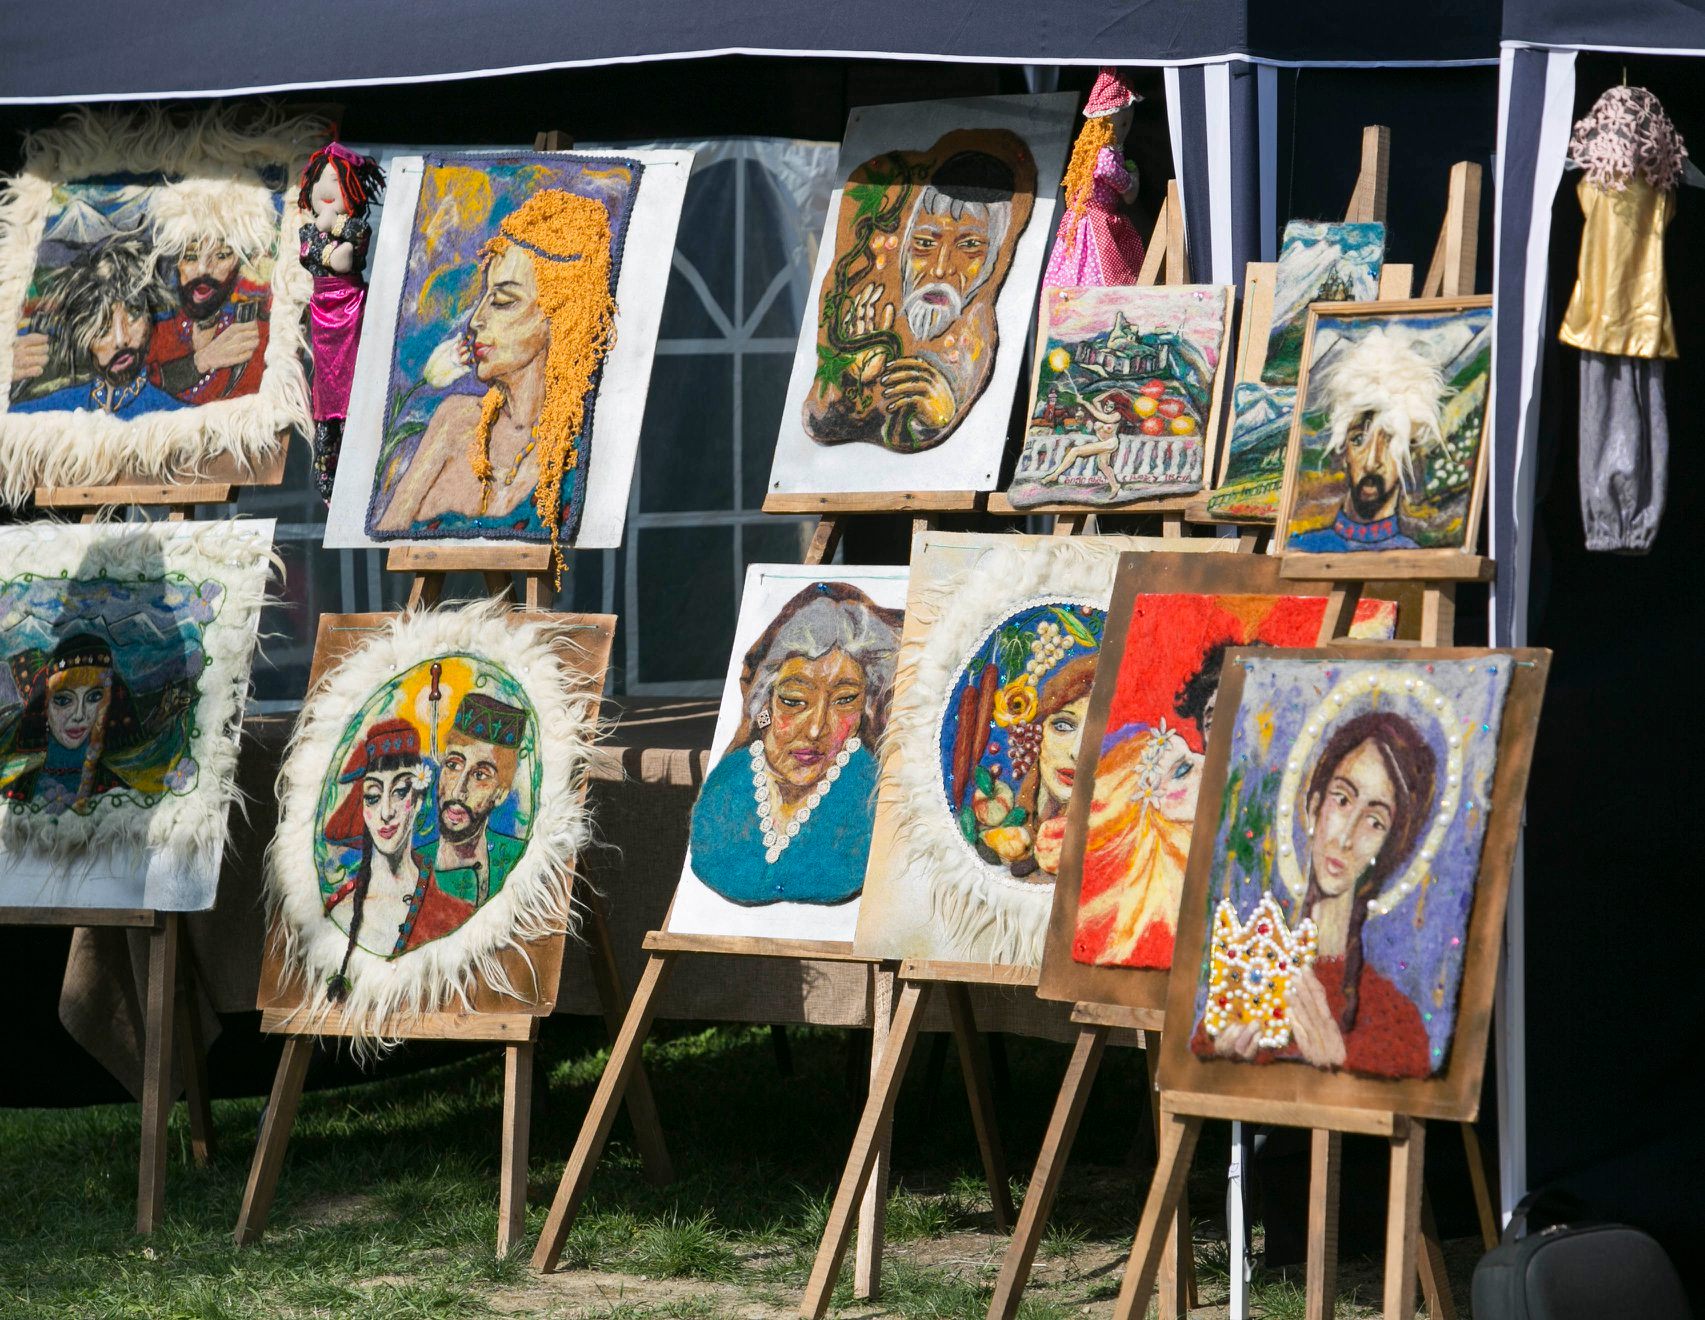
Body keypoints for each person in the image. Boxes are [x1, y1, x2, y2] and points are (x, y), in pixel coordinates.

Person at [373, 189, 617, 574]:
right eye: (485, 296)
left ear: (559, 316)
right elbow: (391, 530)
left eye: (502, 301)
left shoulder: (577, 449)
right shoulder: (455, 421)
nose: (475, 320)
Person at [1203, 711, 1435, 1079]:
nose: (1346, 837)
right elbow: (1195, 1063)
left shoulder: (1397, 1022)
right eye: (1342, 800)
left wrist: (1341, 1067)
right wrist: (1221, 1061)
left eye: (1375, 821)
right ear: (1314, 807)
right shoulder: (1246, 967)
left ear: (1389, 849)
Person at [689, 582, 901, 906]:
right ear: (764, 703)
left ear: (866, 708)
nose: (815, 730)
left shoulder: (874, 793)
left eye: (845, 700)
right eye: (793, 701)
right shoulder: (728, 784)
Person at [811, 149, 1020, 453]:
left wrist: (940, 416)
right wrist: (855, 379)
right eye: (924, 244)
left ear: (993, 260)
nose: (940, 269)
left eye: (969, 246)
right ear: (905, 245)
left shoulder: (980, 338)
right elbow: (821, 427)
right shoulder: (871, 317)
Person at [320, 718, 473, 998]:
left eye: (400, 792)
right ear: (361, 807)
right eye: (373, 796)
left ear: (417, 800)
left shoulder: (456, 915)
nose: (386, 812)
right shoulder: (338, 911)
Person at [1288, 329, 1446, 553]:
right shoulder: (1302, 550)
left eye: (1390, 441)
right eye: (1359, 439)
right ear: (1343, 453)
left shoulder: (1414, 556)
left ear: (1408, 455)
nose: (1372, 463)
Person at [297, 140, 385, 502]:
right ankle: (327, 478)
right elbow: (315, 254)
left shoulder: (358, 228)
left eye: (336, 180)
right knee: (326, 390)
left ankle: (357, 470)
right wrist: (332, 242)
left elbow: (346, 260)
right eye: (321, 180)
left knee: (354, 383)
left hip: (351, 309)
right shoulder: (308, 231)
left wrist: (330, 235)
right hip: (323, 311)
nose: (327, 188)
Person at [9, 236, 183, 417]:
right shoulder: (55, 407)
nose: (121, 340)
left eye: (134, 315)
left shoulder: (173, 413)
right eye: (102, 328)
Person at [0, 634, 145, 816]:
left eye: (94, 697)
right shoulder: (18, 787)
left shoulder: (117, 791)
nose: (79, 715)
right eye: (63, 700)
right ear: (45, 705)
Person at [1044, 67, 1146, 287]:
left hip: (1090, 218)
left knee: (1082, 265)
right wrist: (1131, 182)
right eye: (1123, 124)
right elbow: (1107, 170)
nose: (1125, 129)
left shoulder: (1097, 150)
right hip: (1094, 221)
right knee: (1095, 267)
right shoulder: (1103, 153)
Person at [144, 236, 270, 406]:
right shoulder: (155, 332)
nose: (203, 270)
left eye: (222, 255)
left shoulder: (256, 335)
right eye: (190, 257)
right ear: (177, 264)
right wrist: (202, 361)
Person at [431, 692, 530, 909]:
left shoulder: (523, 859)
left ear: (501, 793)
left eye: (480, 775)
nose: (458, 791)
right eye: (453, 765)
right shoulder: (415, 863)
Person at [1040, 391, 1124, 497]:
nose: (1107, 408)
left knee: (1075, 451)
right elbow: (1095, 400)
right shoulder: (1102, 411)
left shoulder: (1116, 416)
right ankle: (1115, 485)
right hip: (1104, 443)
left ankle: (1055, 475)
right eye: (1106, 404)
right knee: (1103, 465)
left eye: (1110, 406)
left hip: (1110, 443)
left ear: (1116, 407)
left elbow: (1102, 417)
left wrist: (1084, 403)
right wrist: (1110, 392)